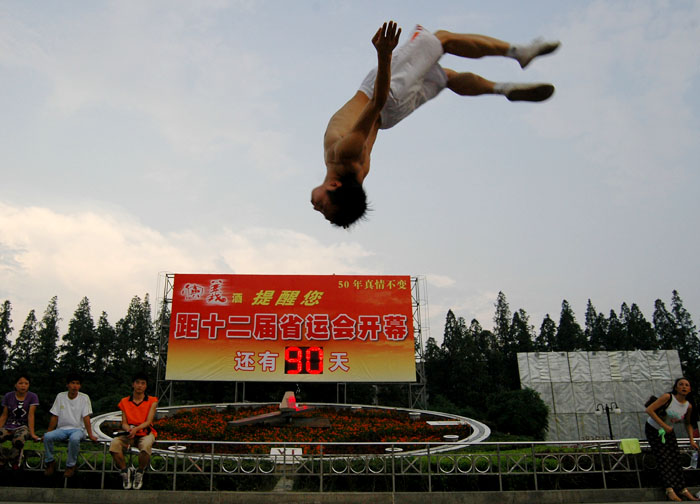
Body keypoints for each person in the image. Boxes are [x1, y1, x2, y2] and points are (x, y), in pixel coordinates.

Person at [313, 21, 559, 228]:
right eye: (324, 207)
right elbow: (376, 101)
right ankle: (518, 52)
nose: (317, 208)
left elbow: (352, 200)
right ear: (334, 185)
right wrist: (385, 55)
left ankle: (504, 89)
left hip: (392, 116)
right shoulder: (342, 155)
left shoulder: (357, 176)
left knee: (447, 77)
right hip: (386, 93)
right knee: (442, 40)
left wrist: (345, 211)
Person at [645, 377, 700, 502]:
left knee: (675, 458)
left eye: (687, 385)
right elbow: (649, 410)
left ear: (690, 389)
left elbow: (688, 423)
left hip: (668, 430)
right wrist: (663, 425)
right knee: (663, 458)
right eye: (681, 384)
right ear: (676, 387)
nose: (684, 387)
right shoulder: (668, 397)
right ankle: (669, 490)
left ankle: (682, 489)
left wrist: (691, 440)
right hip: (654, 428)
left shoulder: (688, 406)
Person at [43, 372, 98, 477]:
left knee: (74, 439)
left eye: (77, 383)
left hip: (78, 429)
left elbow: (86, 417)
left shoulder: (84, 397)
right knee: (47, 437)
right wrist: (49, 431)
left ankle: (71, 465)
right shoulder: (60, 396)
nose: (75, 386)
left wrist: (90, 434)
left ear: (80, 386)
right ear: (67, 385)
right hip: (62, 429)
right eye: (72, 383)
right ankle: (50, 462)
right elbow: (55, 415)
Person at [109, 372, 158, 490]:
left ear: (146, 386)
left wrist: (136, 429)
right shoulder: (124, 402)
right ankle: (125, 471)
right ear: (133, 384)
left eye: (143, 383)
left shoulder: (152, 401)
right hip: (129, 432)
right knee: (114, 445)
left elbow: (148, 421)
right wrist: (129, 430)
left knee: (146, 447)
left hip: (145, 432)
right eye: (137, 383)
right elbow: (124, 422)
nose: (140, 386)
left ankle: (140, 472)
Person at [0, 373, 40, 469]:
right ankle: (2, 458)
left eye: (26, 383)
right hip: (9, 425)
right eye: (20, 383)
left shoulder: (32, 396)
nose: (23, 386)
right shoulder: (8, 396)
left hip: (23, 427)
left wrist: (33, 433)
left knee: (18, 440)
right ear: (15, 384)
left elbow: (31, 415)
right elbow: (4, 415)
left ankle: (15, 460)